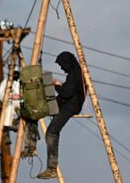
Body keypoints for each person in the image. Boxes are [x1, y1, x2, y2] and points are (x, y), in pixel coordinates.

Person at [37, 51, 86, 179]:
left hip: (70, 107)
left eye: (61, 65)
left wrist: (57, 85)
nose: (61, 68)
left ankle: (51, 168)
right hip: (67, 105)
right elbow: (67, 93)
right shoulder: (75, 73)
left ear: (66, 63)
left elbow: (66, 93)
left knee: (51, 132)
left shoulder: (74, 74)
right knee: (38, 109)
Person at [0, 68, 21, 146]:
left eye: (17, 73)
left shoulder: (22, 82)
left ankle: (17, 123)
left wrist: (20, 96)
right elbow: (0, 96)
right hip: (9, 103)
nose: (15, 75)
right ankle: (7, 131)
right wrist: (10, 96)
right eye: (14, 73)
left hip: (20, 103)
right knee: (8, 109)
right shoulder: (5, 82)